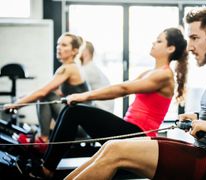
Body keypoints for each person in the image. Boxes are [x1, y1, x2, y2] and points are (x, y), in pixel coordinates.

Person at [65, 6, 206, 180]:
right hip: (203, 153)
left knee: (116, 151)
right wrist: (198, 119)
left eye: (195, 38)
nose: (189, 47)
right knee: (111, 147)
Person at [20, 27, 188, 178]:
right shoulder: (149, 72)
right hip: (130, 129)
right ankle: (46, 163)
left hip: (139, 135)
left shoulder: (164, 75)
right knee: (70, 110)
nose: (153, 42)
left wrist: (84, 96)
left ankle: (46, 169)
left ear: (170, 48)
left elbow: (123, 89)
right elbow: (120, 89)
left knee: (75, 112)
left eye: (159, 41)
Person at [4, 33, 91, 143]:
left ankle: (43, 139)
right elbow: (56, 91)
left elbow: (43, 92)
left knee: (46, 96)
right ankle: (42, 137)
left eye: (64, 45)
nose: (59, 47)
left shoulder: (68, 68)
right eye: (58, 44)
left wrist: (17, 105)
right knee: (47, 95)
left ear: (74, 51)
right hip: (82, 124)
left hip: (80, 126)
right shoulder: (74, 66)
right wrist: (24, 97)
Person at [79, 40, 114, 112]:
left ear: (85, 52)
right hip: (100, 107)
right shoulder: (90, 67)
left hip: (100, 109)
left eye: (79, 50)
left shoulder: (88, 69)